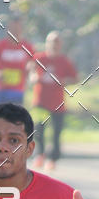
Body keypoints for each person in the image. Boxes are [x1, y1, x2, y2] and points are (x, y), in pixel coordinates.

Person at [28, 31, 77, 171]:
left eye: (57, 42)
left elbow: (74, 78)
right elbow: (31, 70)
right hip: (41, 101)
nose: (54, 45)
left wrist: (64, 81)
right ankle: (40, 155)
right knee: (39, 129)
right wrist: (33, 78)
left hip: (57, 103)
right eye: (51, 42)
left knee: (56, 132)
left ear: (60, 44)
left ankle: (52, 159)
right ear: (47, 43)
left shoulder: (64, 61)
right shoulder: (39, 58)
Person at [0, 15, 35, 104]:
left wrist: (30, 69)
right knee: (1, 115)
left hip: (18, 90)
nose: (15, 31)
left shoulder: (27, 46)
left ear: (22, 29)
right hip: (1, 89)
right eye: (12, 29)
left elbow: (33, 63)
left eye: (17, 28)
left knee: (15, 115)